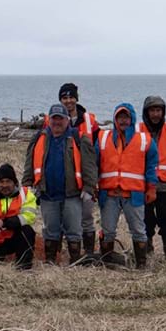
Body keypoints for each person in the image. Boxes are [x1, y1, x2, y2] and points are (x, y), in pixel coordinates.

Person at [23, 104, 98, 265]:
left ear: (67, 120)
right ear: (49, 120)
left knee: (74, 231)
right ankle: (51, 262)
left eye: (61, 119)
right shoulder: (39, 138)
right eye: (54, 118)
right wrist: (27, 185)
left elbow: (90, 165)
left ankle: (75, 262)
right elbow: (29, 163)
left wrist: (89, 188)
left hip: (72, 194)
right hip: (47, 194)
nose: (57, 122)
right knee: (50, 231)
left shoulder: (79, 137)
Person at [96, 103, 157, 269]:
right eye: (119, 117)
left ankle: (141, 266)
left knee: (138, 230)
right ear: (115, 119)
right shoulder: (103, 138)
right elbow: (94, 164)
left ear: (132, 118)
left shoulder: (144, 140)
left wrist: (151, 188)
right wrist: (92, 186)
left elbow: (152, 167)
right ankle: (107, 263)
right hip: (109, 194)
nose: (123, 120)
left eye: (126, 117)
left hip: (134, 195)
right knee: (108, 230)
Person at [55, 83, 100, 255]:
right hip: (63, 176)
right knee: (60, 216)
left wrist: (94, 177)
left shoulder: (90, 121)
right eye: (64, 98)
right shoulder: (52, 119)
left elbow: (99, 147)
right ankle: (59, 253)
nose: (68, 101)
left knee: (87, 216)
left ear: (77, 99)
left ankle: (88, 253)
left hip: (86, 176)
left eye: (71, 97)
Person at [138, 95, 166, 258]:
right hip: (143, 185)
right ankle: (146, 252)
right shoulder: (137, 131)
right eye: (152, 110)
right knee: (145, 221)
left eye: (158, 110)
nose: (156, 114)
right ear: (146, 112)